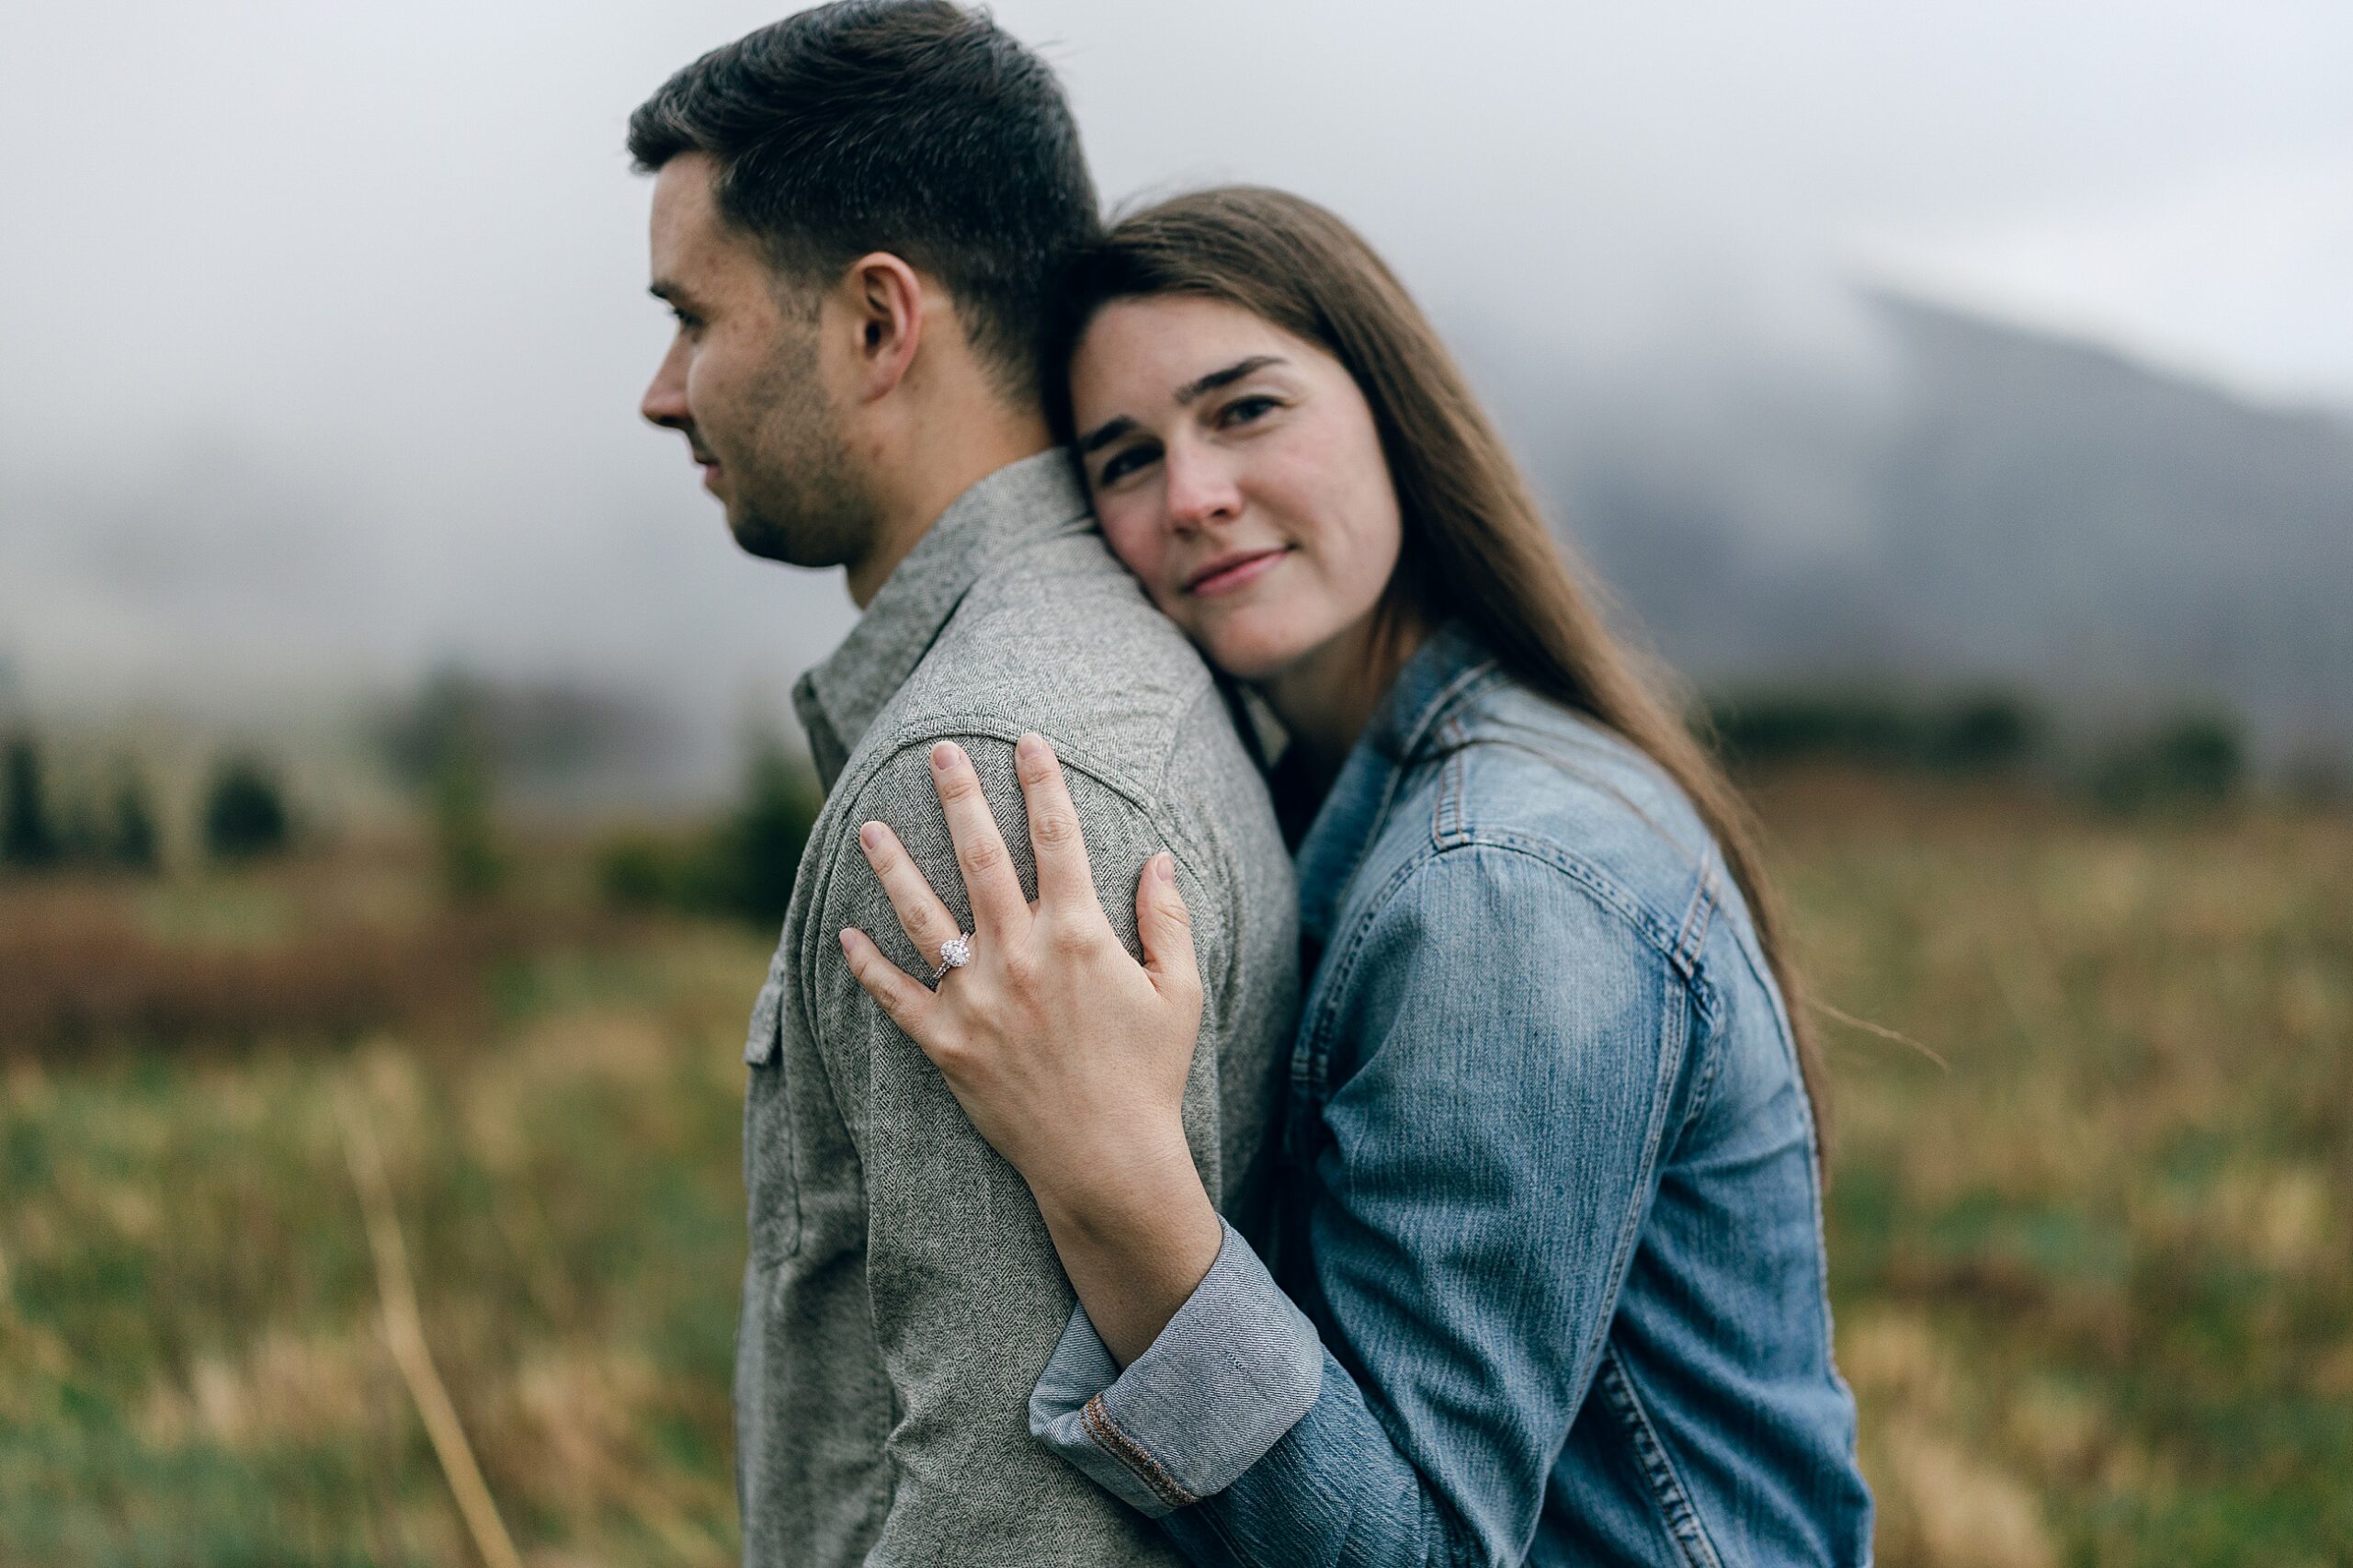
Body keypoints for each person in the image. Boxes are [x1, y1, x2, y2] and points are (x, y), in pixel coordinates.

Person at [840, 187, 1875, 1564]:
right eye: (1127, 459)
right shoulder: (1351, 799)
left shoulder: (1501, 885)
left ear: (1395, 414)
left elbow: (1419, 1549)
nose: (1195, 496)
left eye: (1246, 409)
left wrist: (1112, 1173)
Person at [628, 11, 1299, 1565]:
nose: (662, 393)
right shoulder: (1115, 660)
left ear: (879, 323)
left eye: (693, 319)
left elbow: (1014, 1518)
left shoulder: (976, 789)